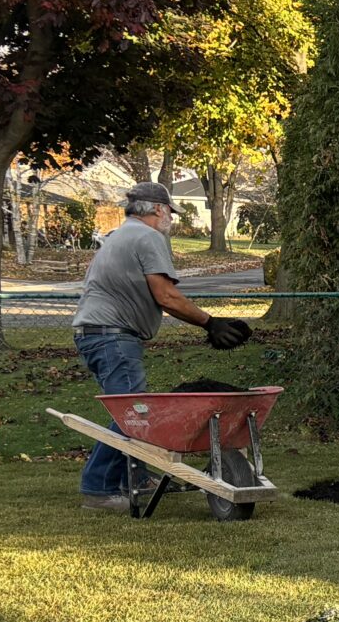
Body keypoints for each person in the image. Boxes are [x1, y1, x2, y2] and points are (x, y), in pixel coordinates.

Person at [72, 181, 253, 511]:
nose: (171, 217)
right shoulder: (148, 236)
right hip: (112, 335)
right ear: (157, 209)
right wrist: (211, 323)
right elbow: (166, 296)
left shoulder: (121, 235)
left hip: (99, 333)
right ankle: (98, 489)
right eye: (170, 210)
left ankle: (135, 478)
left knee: (131, 411)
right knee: (133, 413)